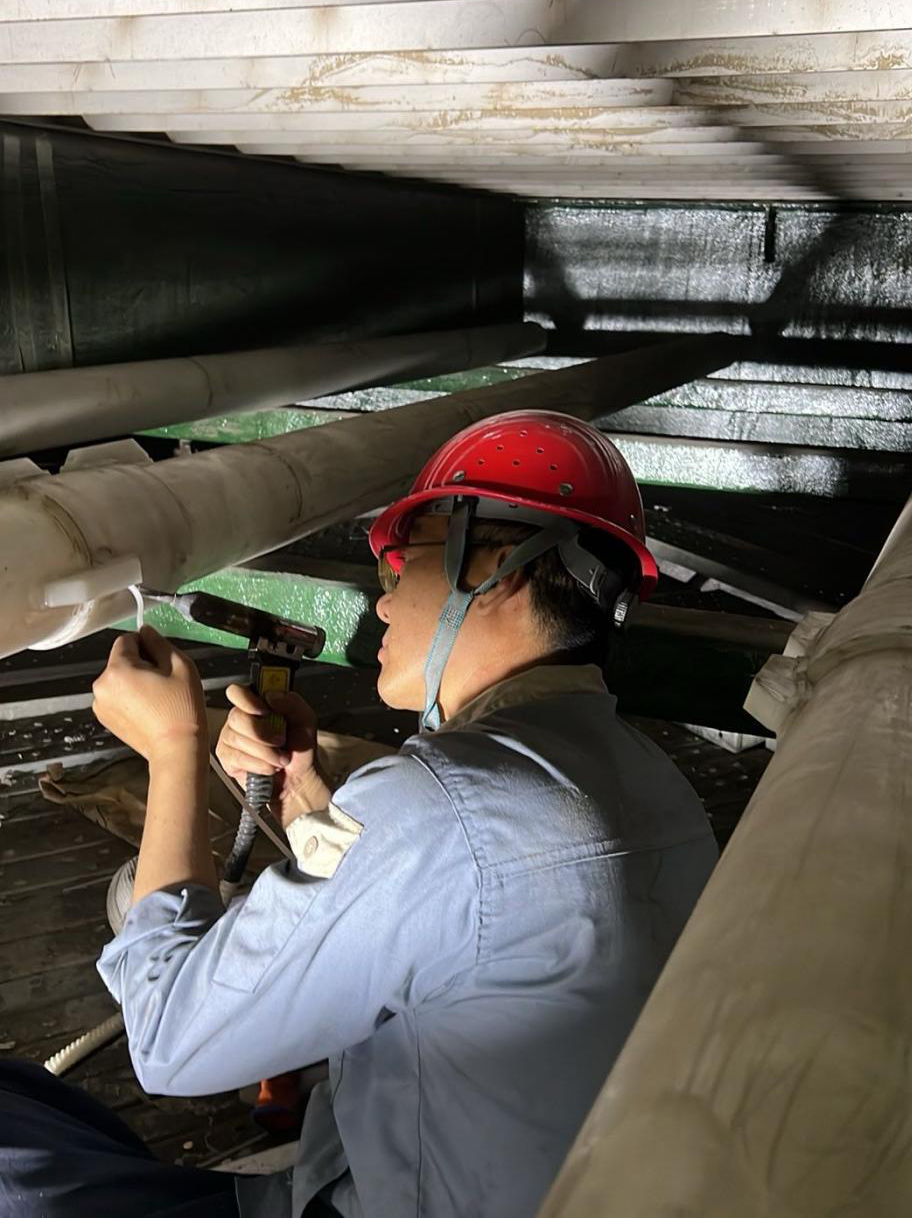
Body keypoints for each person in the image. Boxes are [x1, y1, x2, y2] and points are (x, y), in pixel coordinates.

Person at [0, 410, 717, 1218]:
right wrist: (303, 789)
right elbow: (430, 903)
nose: (381, 605)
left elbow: (169, 1041)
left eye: (401, 565)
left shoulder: (441, 800)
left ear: (495, 567)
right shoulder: (646, 777)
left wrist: (172, 748)